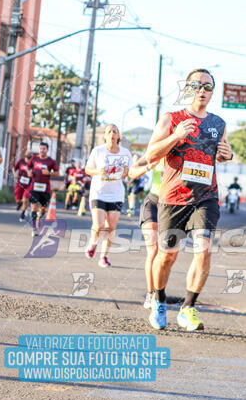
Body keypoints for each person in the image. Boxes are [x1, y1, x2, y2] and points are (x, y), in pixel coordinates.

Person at [145, 68, 233, 331]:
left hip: (206, 197)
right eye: (197, 85)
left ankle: (188, 308)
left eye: (208, 87)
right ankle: (159, 301)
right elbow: (151, 154)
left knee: (204, 248)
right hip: (173, 197)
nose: (203, 91)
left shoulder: (219, 124)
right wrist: (175, 136)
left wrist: (227, 154)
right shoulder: (171, 119)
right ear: (188, 89)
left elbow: (219, 154)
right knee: (167, 256)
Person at [85, 124, 132, 268]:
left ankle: (103, 256)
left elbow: (130, 172)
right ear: (105, 136)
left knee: (111, 227)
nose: (112, 134)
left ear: (118, 136)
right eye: (109, 132)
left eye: (115, 132)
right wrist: (98, 172)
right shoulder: (97, 151)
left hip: (116, 194)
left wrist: (125, 172)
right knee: (99, 225)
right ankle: (93, 243)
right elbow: (88, 170)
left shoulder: (125, 153)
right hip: (99, 192)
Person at [129, 156, 162, 308]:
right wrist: (147, 167)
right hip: (153, 204)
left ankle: (159, 292)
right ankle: (150, 293)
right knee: (153, 250)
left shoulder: (185, 154)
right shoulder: (157, 153)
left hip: (173, 207)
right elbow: (132, 171)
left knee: (166, 254)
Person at [27, 142, 59, 236]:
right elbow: (28, 167)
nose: (42, 150)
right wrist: (29, 172)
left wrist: (49, 173)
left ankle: (39, 216)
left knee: (43, 209)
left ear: (47, 150)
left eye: (44, 149)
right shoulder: (34, 159)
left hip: (45, 189)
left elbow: (57, 173)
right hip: (34, 187)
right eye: (40, 148)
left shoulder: (51, 161)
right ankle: (34, 228)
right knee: (34, 206)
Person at [13, 150, 33, 221]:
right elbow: (14, 168)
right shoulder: (21, 161)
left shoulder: (34, 163)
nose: (29, 155)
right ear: (25, 154)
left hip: (29, 184)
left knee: (25, 199)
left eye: (31, 154)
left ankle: (22, 214)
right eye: (28, 153)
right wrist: (14, 174)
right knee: (18, 199)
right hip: (20, 183)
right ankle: (19, 203)